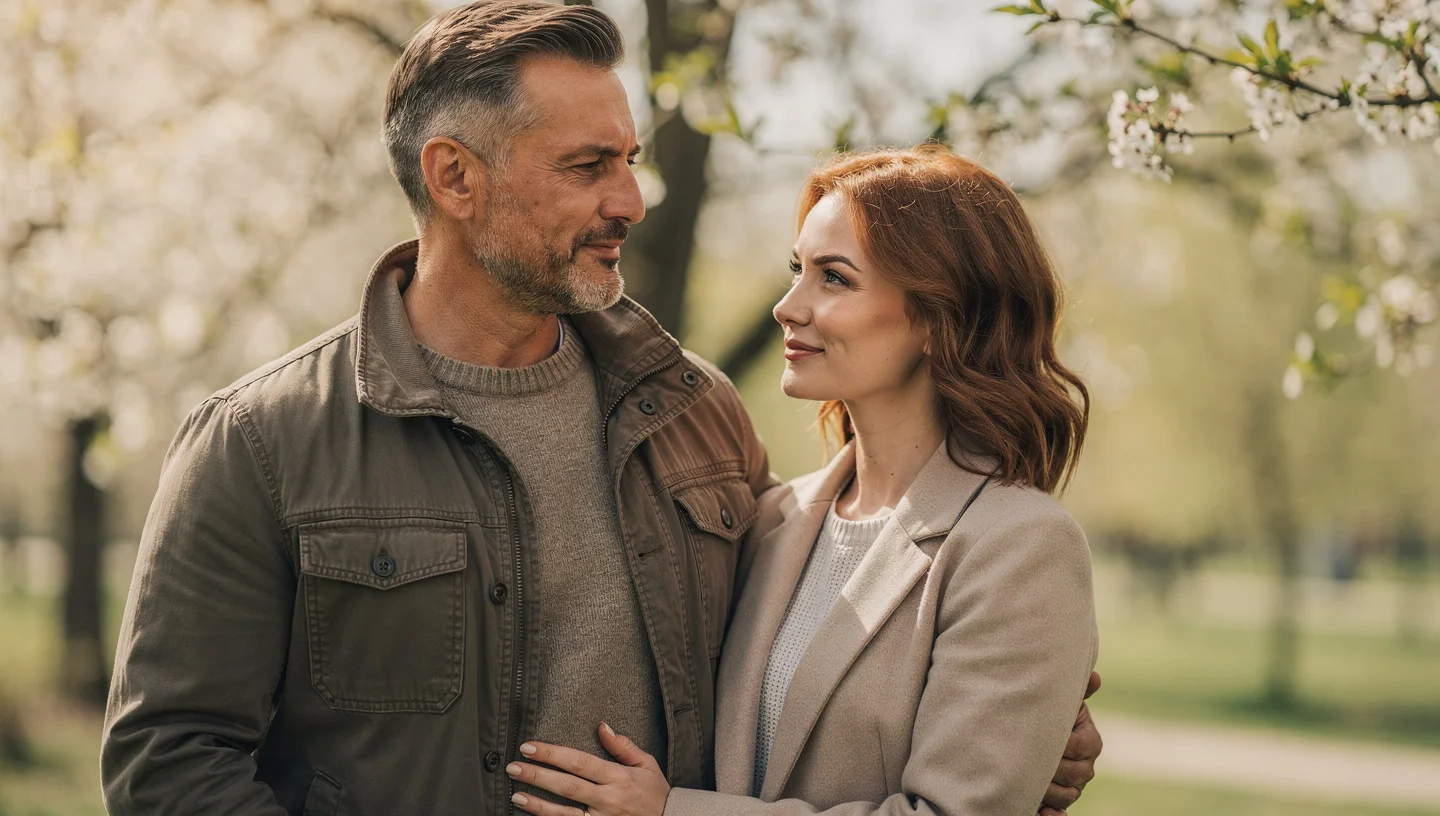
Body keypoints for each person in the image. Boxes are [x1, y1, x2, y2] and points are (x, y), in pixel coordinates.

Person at [99, 2, 1100, 814]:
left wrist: (1014, 741)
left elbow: (838, 673)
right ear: (454, 176)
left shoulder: (695, 418)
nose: (632, 199)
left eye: (629, 158)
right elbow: (171, 765)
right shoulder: (261, 442)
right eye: (590, 166)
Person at [506, 146, 1100, 816]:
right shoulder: (775, 520)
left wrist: (673, 814)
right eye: (797, 271)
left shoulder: (1019, 547)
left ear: (940, 318)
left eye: (835, 279)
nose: (788, 307)